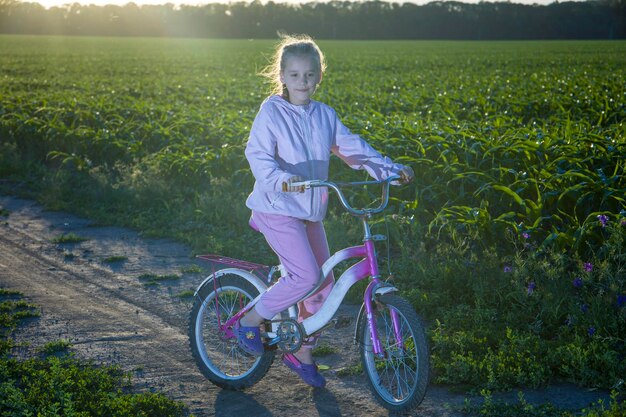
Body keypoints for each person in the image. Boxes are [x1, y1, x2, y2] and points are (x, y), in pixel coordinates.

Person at [238, 34, 414, 388]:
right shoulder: (272, 111)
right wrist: (281, 180)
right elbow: (257, 154)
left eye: (310, 74)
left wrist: (388, 170)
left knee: (322, 285)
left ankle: (300, 349)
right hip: (277, 207)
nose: (303, 81)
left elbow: (354, 149)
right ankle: (249, 320)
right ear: (283, 76)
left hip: (310, 210)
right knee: (304, 276)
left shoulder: (325, 115)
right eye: (295, 74)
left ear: (320, 76)